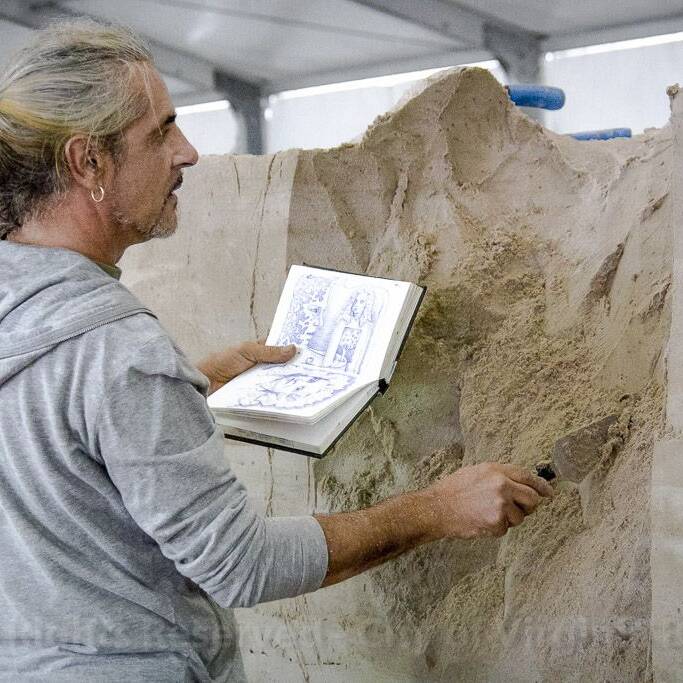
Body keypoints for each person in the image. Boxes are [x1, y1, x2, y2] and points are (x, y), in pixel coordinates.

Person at [0, 19, 554, 682]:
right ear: (87, 161)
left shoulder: (38, 316)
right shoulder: (118, 351)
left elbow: (50, 431)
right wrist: (435, 509)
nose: (187, 152)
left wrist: (188, 383)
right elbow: (239, 562)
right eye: (161, 131)